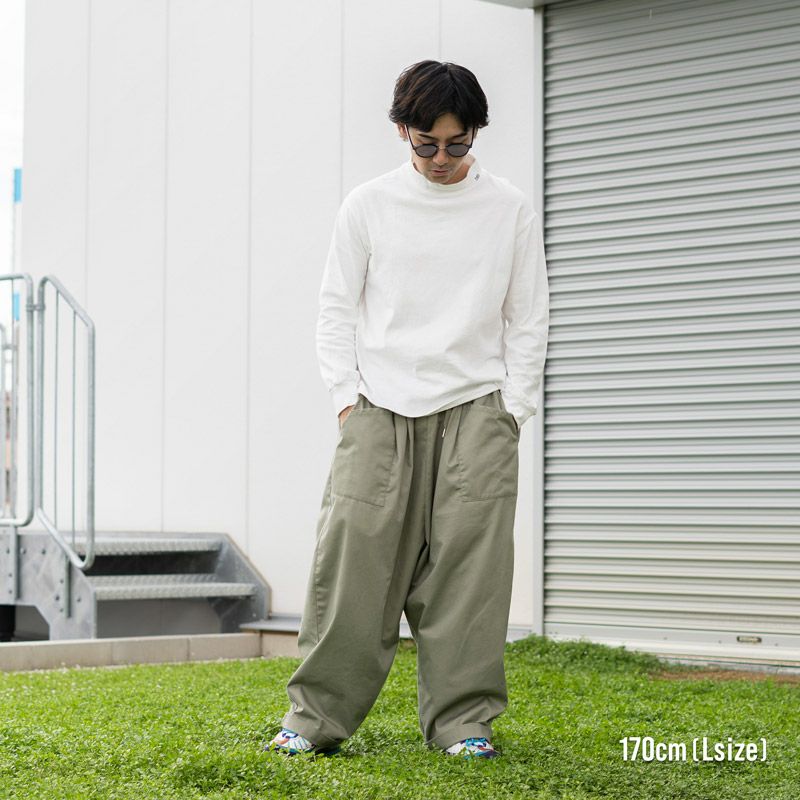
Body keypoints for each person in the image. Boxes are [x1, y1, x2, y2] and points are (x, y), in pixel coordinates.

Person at [267, 59, 549, 760]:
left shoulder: (509, 209)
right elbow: (335, 310)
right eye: (427, 143)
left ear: (476, 133)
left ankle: (463, 725)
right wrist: (346, 401)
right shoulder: (369, 204)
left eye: (458, 143)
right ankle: (313, 720)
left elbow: (528, 317)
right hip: (378, 408)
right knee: (351, 561)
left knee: (470, 576)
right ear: (403, 131)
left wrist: (512, 410)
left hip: (477, 410)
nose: (442, 158)